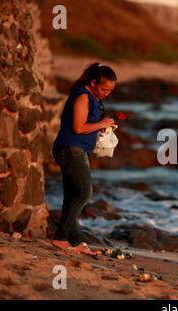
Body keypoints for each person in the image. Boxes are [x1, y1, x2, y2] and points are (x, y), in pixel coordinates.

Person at [51, 62, 116, 254]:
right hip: (71, 149)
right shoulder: (82, 96)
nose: (106, 93)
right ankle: (61, 237)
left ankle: (72, 241)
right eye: (104, 89)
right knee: (84, 193)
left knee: (73, 194)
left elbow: (88, 124)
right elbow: (78, 128)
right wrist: (100, 123)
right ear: (94, 83)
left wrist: (102, 127)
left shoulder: (94, 98)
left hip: (78, 149)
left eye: (110, 90)